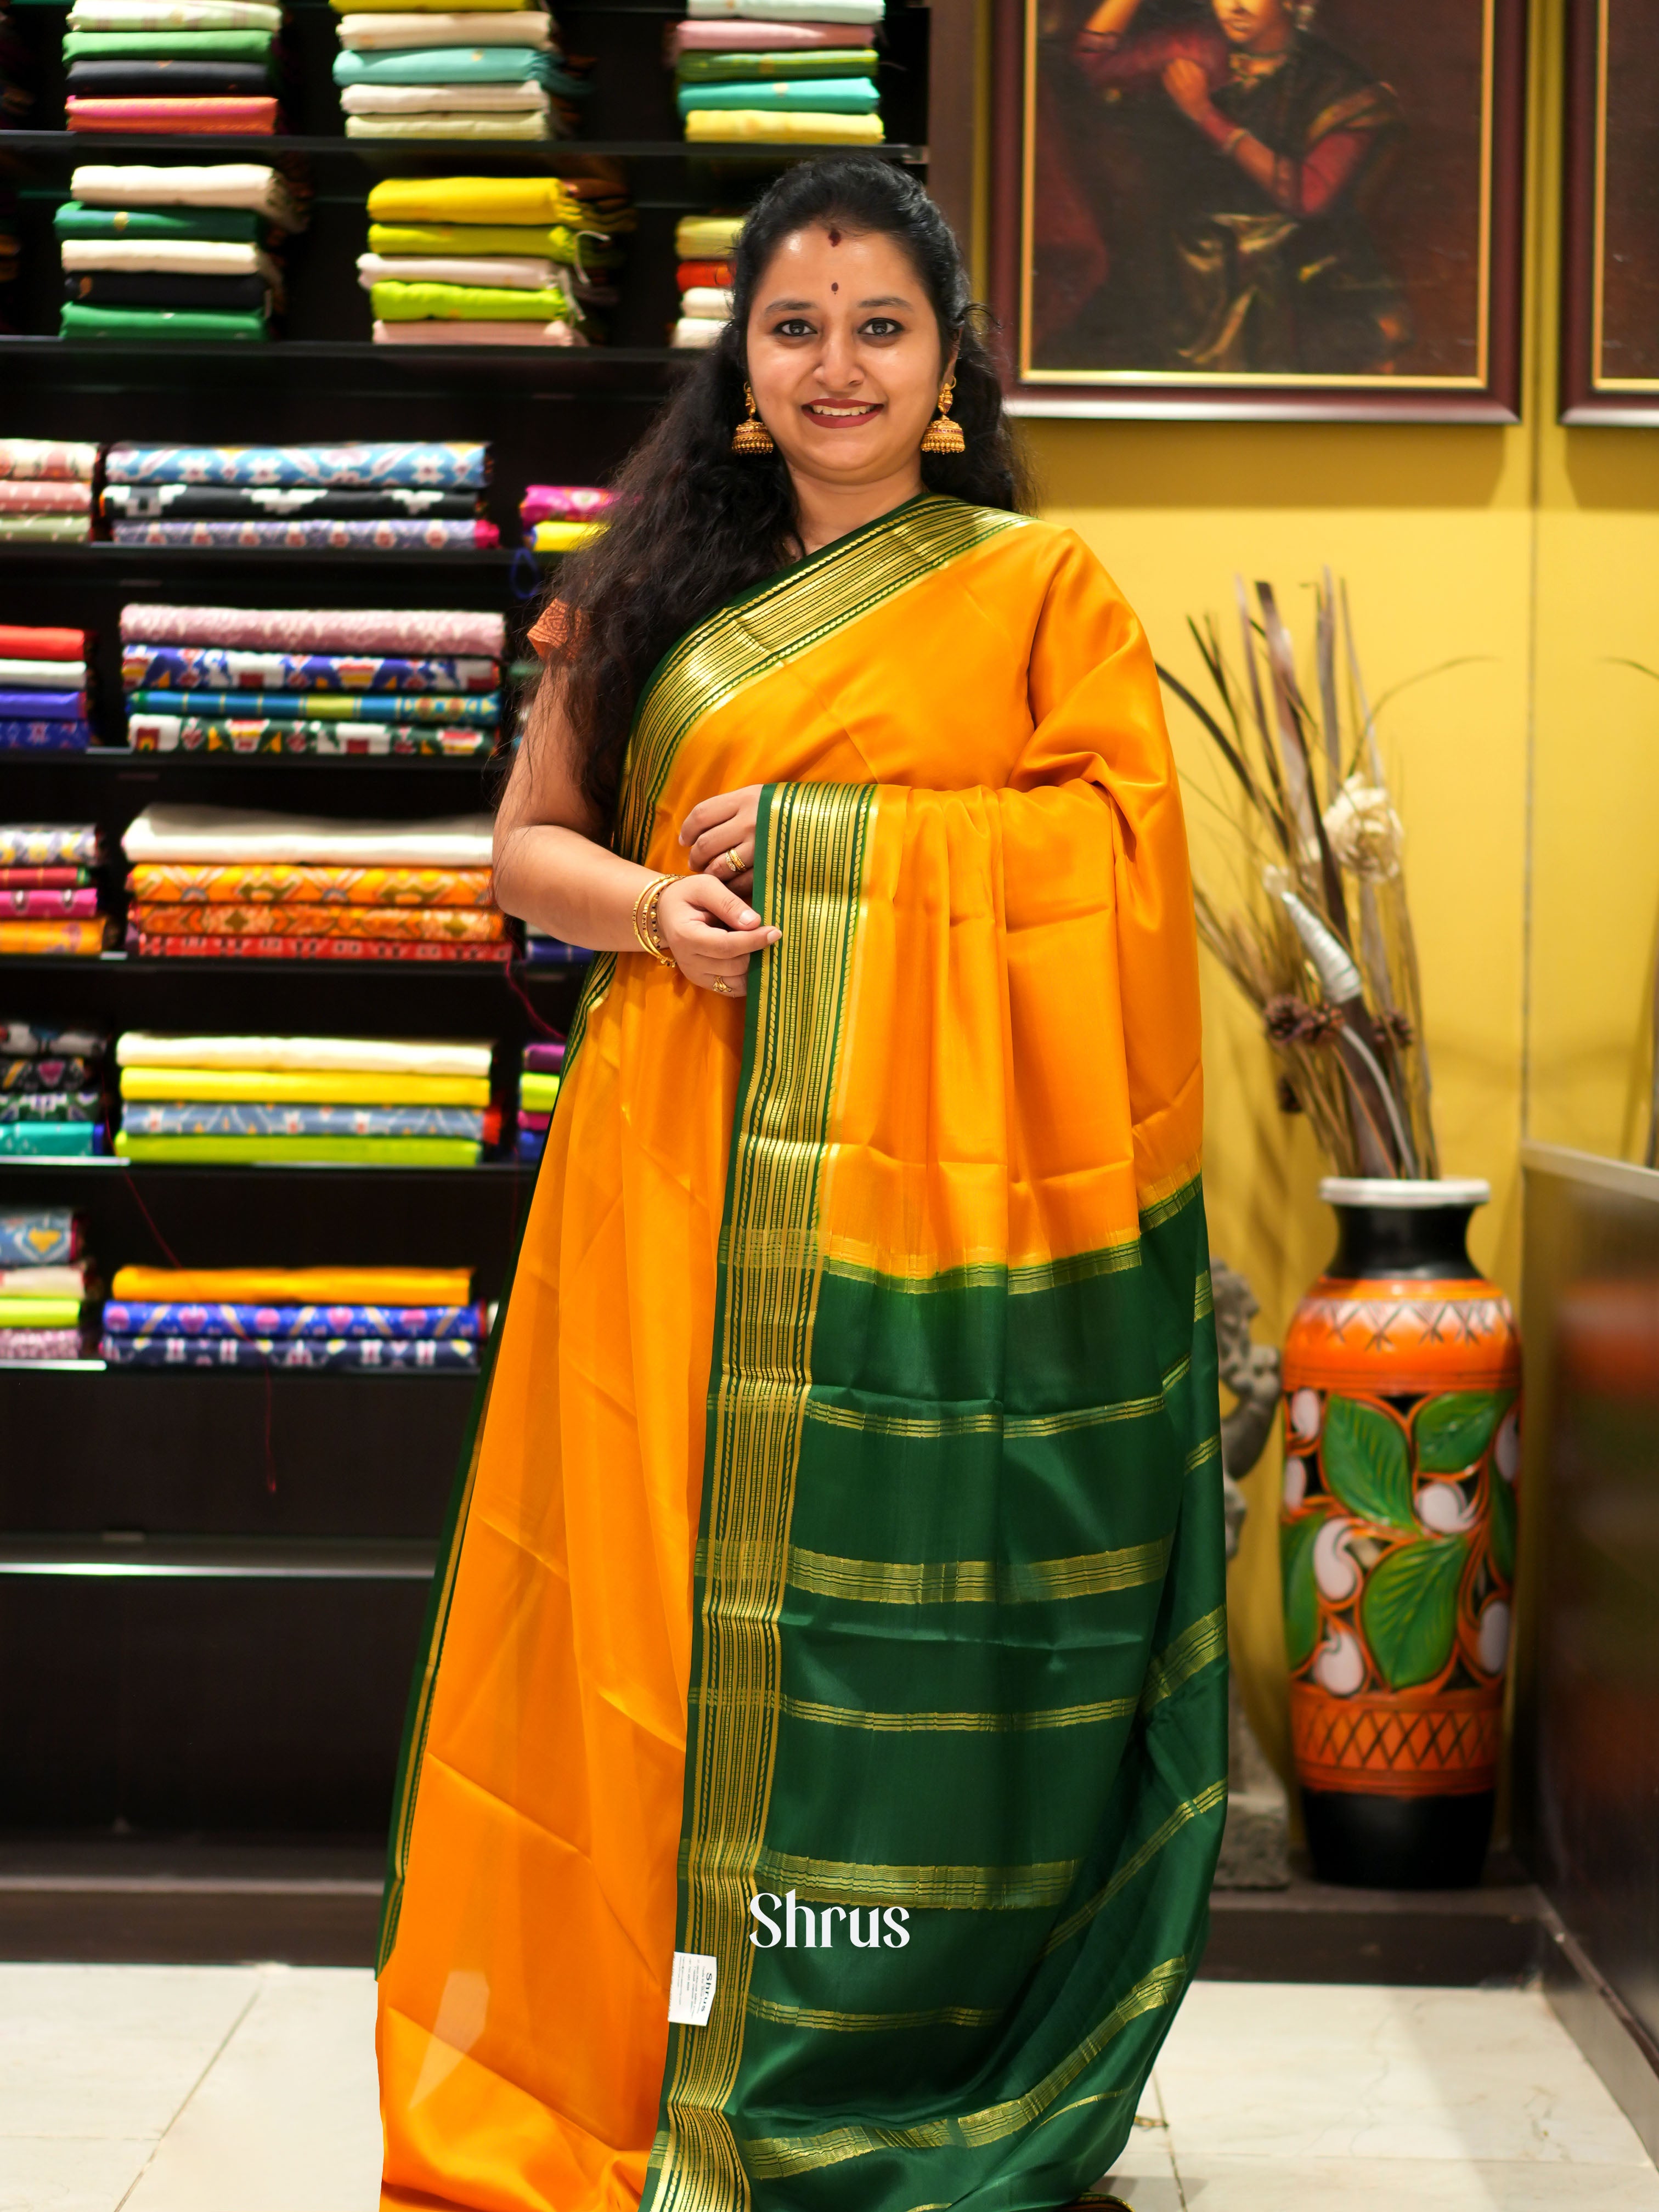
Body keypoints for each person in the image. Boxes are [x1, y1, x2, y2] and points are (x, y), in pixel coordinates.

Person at [375, 153, 1227, 2212]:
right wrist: (662, 906)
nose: (832, 363)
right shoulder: (652, 572)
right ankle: (628, 2053)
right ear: (737, 366)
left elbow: (1116, 873)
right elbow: (524, 847)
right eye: (791, 326)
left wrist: (855, 850)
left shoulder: (1038, 594)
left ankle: (891, 2041)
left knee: (904, 1633)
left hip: (934, 1225)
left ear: (945, 366)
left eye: (877, 326)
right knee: (646, 1605)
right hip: (676, 1153)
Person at [1054, 0, 1409, 373]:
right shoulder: (1198, 46)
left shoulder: (1340, 85)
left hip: (1298, 268)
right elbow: (1089, 64)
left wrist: (1206, 115)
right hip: (1193, 264)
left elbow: (1308, 196)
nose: (1233, 7)